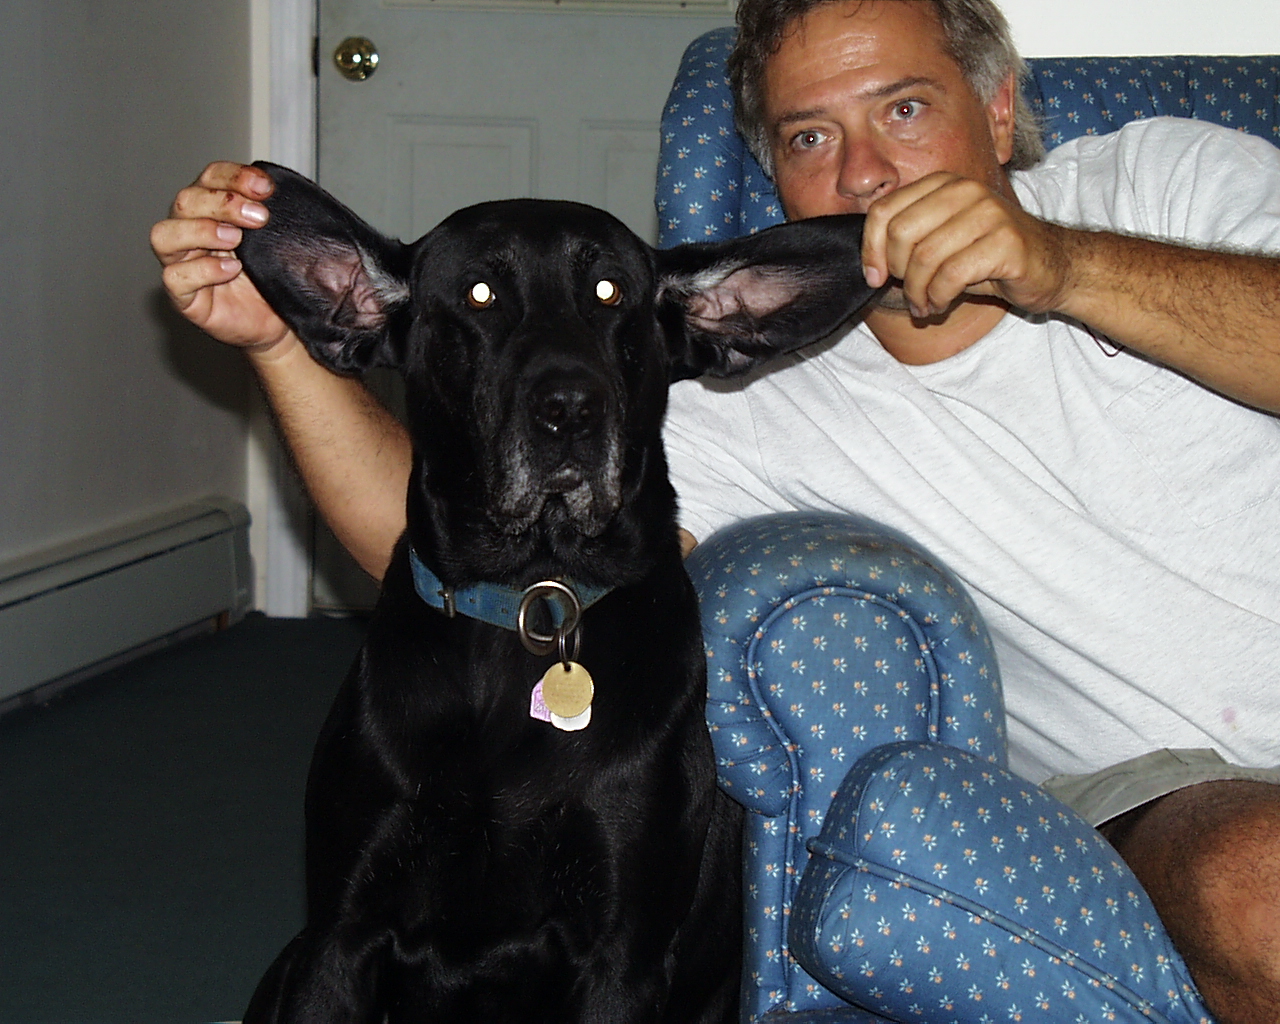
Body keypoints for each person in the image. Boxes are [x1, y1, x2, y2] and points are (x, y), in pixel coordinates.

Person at [151, 0, 1280, 1017]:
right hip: (1186, 791)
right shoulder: (743, 403)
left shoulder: (1167, 182)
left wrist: (1063, 266)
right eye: (808, 137)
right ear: (770, 172)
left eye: (903, 108)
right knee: (1256, 892)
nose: (865, 173)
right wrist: (280, 346)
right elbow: (446, 544)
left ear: (995, 107)